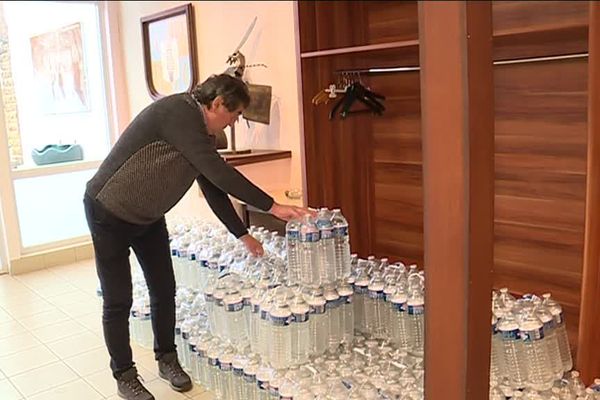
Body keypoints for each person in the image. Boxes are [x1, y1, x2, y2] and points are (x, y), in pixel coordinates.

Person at [83, 74, 311, 400]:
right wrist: (273, 206)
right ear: (217, 103)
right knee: (119, 299)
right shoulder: (179, 113)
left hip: (147, 217)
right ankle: (125, 375)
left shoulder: (204, 134)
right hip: (109, 212)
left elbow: (213, 186)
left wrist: (242, 234)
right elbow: (221, 173)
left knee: (164, 288)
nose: (232, 124)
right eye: (233, 116)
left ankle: (167, 359)